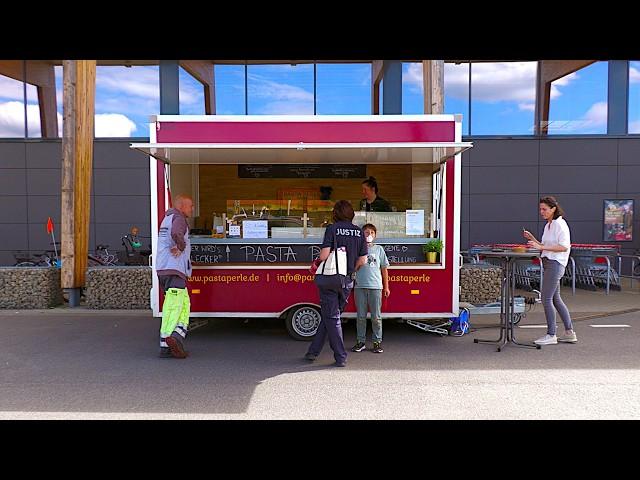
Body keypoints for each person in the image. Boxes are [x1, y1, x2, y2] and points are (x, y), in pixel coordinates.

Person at [306, 200, 368, 367]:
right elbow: (363, 259)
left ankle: (341, 357)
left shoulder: (332, 229)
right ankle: (313, 352)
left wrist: (316, 263)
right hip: (347, 280)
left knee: (332, 317)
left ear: (335, 213)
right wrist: (352, 270)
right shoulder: (359, 232)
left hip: (330, 278)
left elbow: (325, 254)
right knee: (330, 316)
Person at [523, 196, 577, 345]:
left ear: (553, 209)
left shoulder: (560, 224)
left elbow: (564, 246)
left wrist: (540, 247)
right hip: (550, 262)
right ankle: (569, 333)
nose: (541, 212)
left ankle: (551, 334)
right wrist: (533, 239)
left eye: (544, 209)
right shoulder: (548, 225)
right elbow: (545, 245)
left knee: (546, 298)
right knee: (555, 299)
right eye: (540, 209)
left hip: (555, 263)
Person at [156, 194, 194, 358]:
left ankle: (175, 339)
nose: (192, 209)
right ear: (181, 206)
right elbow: (177, 234)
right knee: (174, 307)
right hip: (173, 270)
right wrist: (181, 246)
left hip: (166, 269)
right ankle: (168, 343)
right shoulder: (178, 218)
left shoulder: (167, 218)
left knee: (183, 305)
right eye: (190, 206)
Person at [352, 223, 390, 354]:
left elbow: (384, 269)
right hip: (360, 286)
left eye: (372, 233)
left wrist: (386, 287)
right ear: (362, 235)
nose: (369, 235)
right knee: (361, 316)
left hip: (376, 287)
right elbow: (353, 267)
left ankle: (377, 342)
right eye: (366, 233)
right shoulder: (357, 249)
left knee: (376, 317)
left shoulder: (379, 249)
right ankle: (360, 341)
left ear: (375, 235)